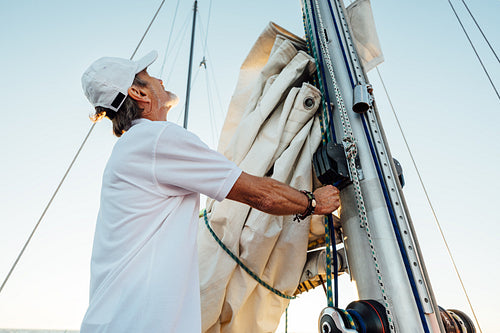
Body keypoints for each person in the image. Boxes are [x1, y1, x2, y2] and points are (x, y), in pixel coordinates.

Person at [80, 50, 340, 332]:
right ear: (137, 93)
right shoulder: (155, 139)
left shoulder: (131, 149)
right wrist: (312, 202)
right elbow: (257, 194)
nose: (159, 78)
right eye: (148, 76)